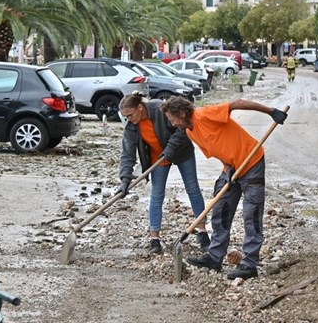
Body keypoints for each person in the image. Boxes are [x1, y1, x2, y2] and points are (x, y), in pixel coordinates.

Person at [160, 97, 288, 280]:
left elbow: (238, 103)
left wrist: (271, 111)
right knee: (220, 211)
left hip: (251, 162)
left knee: (251, 215)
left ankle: (249, 265)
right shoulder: (190, 131)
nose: (172, 124)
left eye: (173, 119)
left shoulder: (204, 114)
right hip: (231, 168)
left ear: (182, 112)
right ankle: (214, 257)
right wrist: (227, 166)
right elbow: (217, 147)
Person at [117, 93, 209, 255]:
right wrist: (125, 179)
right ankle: (154, 239)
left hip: (181, 151)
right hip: (157, 158)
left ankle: (202, 232)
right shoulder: (131, 125)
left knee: (193, 189)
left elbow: (181, 127)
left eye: (130, 115)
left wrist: (171, 148)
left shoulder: (159, 109)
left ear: (140, 107)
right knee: (157, 195)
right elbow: (127, 154)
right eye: (125, 117)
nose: (128, 119)